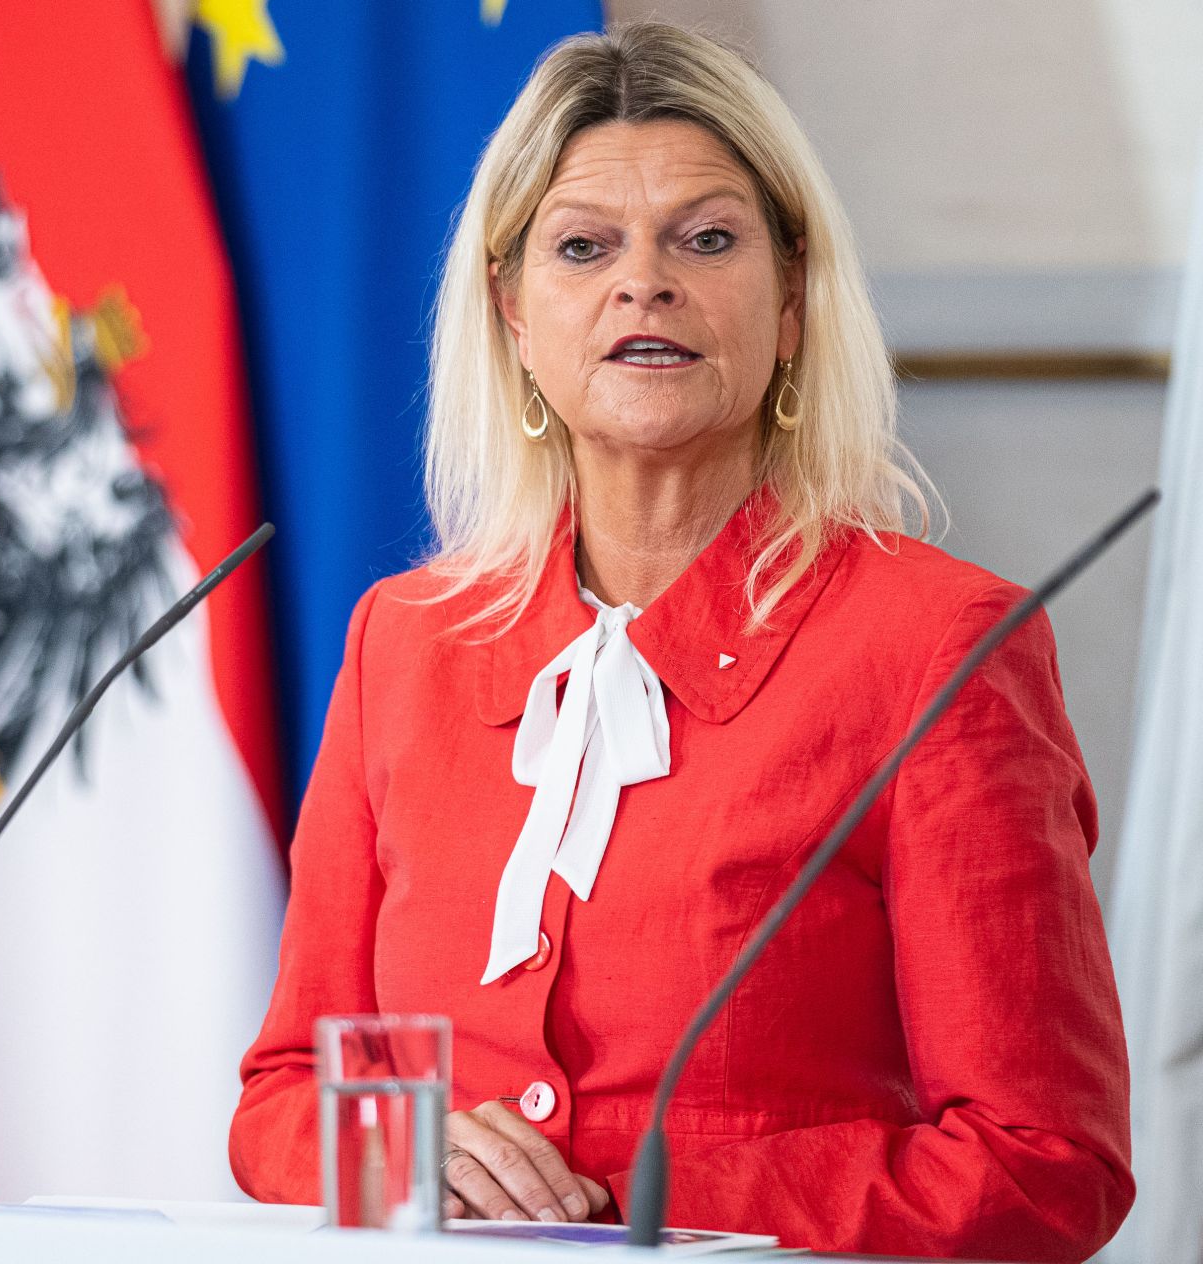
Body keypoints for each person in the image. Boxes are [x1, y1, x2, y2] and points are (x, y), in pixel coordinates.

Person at [228, 22, 1134, 1262]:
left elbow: (1044, 1166)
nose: (640, 283)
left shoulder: (939, 648)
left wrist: (632, 1195)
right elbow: (282, 1095)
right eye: (581, 247)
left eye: (706, 239)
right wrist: (401, 1148)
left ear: (792, 301)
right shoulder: (406, 641)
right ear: (512, 317)